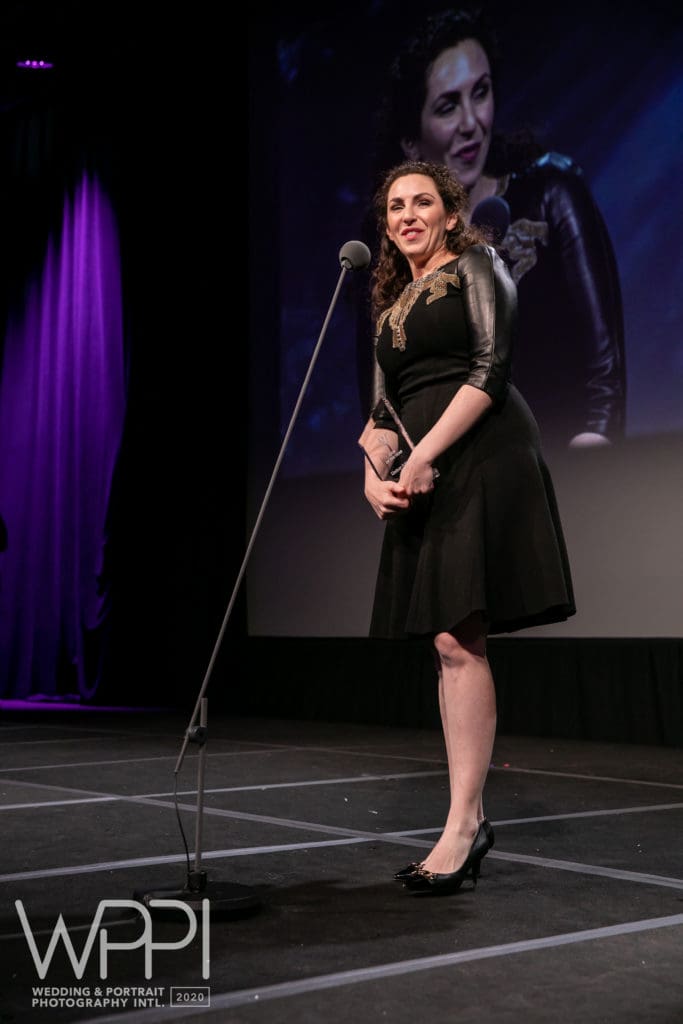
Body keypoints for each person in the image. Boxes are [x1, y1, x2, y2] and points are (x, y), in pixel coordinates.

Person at [358, 159, 575, 894]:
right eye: (395, 207)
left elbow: (489, 369)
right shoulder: (387, 307)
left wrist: (423, 456)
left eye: (423, 202)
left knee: (458, 632)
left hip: (478, 453)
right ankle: (466, 820)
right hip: (419, 467)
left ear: (450, 214)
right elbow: (379, 415)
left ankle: (459, 827)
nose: (408, 214)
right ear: (385, 224)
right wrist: (373, 470)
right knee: (447, 641)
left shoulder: (477, 265)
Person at [358, 5, 626, 452]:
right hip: (441, 487)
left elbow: (604, 375)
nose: (471, 123)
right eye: (448, 106)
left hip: (558, 473)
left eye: (480, 93)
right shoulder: (391, 240)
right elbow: (379, 404)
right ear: (410, 138)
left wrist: (584, 479)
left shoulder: (551, 194)